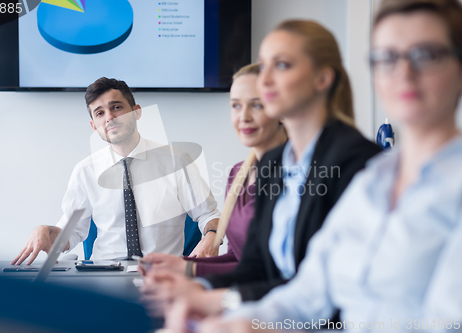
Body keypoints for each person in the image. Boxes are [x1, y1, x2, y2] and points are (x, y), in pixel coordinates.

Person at [169, 0, 462, 331]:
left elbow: (444, 322)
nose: (403, 72)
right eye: (386, 58)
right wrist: (226, 315)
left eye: (425, 54)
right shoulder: (375, 178)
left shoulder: (357, 163)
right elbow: (306, 294)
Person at [142, 19, 382, 316]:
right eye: (264, 66)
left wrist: (214, 300)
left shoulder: (355, 161)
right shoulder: (276, 161)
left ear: (322, 79)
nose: (265, 79)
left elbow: (318, 290)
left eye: (281, 65)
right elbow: (256, 267)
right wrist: (198, 289)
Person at [11, 77, 221, 265]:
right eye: (100, 113)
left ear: (137, 111)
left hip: (162, 274)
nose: (109, 117)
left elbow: (209, 215)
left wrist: (211, 235)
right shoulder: (86, 171)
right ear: (94, 126)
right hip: (103, 275)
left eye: (117, 107)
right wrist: (45, 231)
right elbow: (71, 232)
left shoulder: (176, 162)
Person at [139, 64, 287, 278]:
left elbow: (272, 269)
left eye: (256, 105)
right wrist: (176, 265)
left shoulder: (298, 175)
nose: (243, 116)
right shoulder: (238, 173)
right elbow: (238, 258)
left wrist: (188, 269)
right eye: (236, 106)